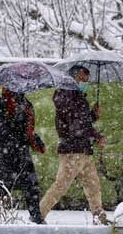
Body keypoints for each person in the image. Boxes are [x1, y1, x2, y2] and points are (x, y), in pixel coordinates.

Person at [39, 65, 108, 225]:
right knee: (61, 186)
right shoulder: (69, 96)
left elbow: (80, 121)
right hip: (73, 150)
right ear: (75, 77)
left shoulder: (75, 96)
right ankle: (39, 214)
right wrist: (97, 136)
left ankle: (98, 216)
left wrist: (93, 115)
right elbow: (78, 125)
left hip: (82, 149)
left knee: (93, 185)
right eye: (84, 78)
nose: (86, 82)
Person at [0, 87, 46, 224]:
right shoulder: (4, 101)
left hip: (21, 151)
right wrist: (18, 120)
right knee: (1, 186)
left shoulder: (26, 104)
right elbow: (6, 127)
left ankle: (36, 215)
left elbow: (29, 130)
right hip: (5, 151)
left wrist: (36, 140)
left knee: (31, 184)